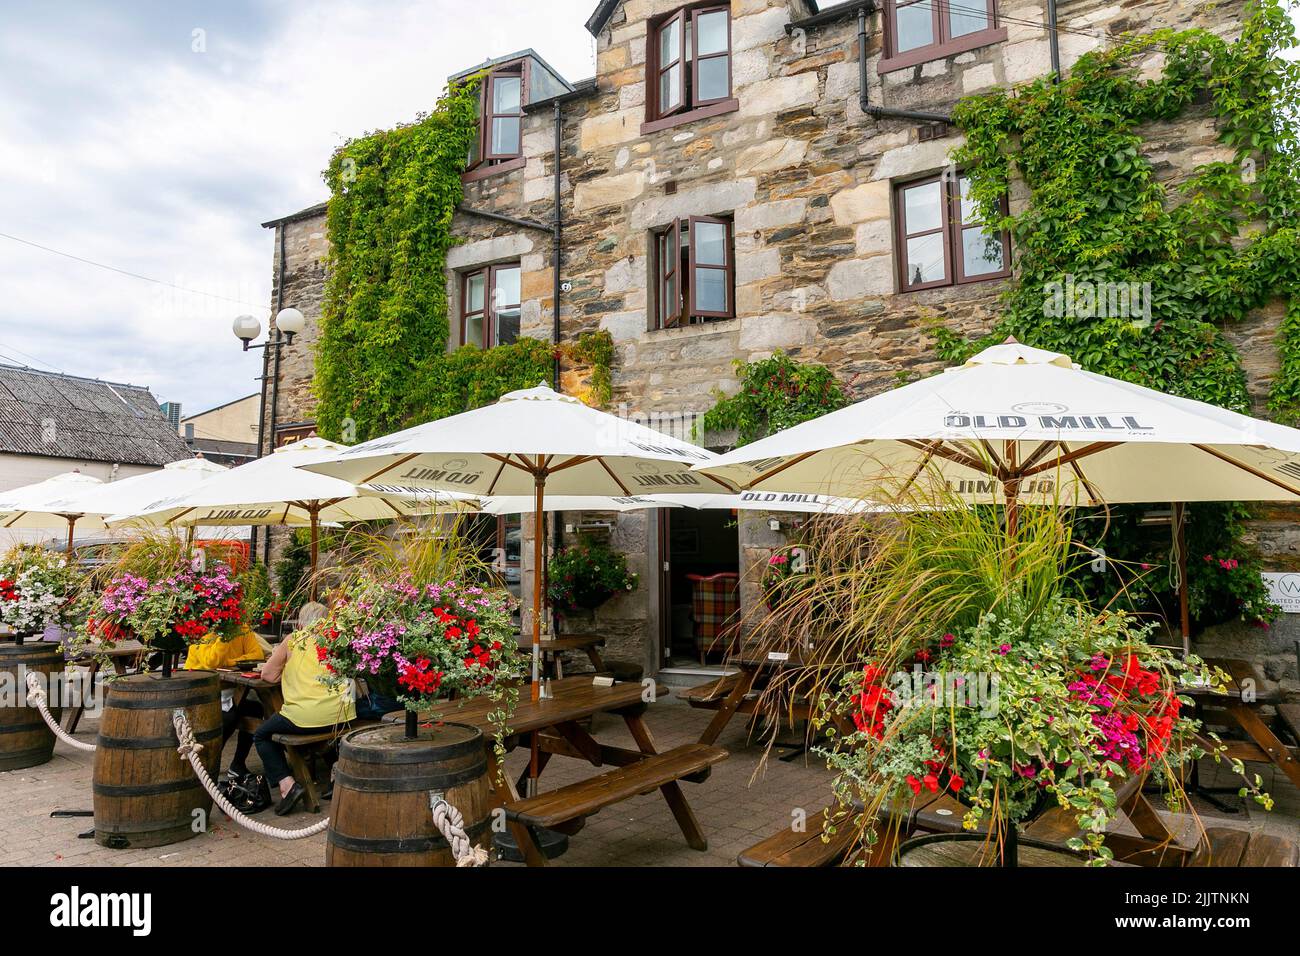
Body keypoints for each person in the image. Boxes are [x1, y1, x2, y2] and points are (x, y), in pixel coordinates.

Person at [253, 602, 356, 815]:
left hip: (305, 718)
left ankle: (287, 784)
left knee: (261, 734)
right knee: (330, 729)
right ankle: (334, 772)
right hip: (342, 715)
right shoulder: (336, 640)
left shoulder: (293, 640)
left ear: (300, 623)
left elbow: (268, 675)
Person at [185, 623, 267, 783]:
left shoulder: (242, 628)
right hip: (202, 695)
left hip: (229, 689)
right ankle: (207, 768)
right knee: (229, 718)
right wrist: (224, 635)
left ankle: (237, 766)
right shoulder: (200, 631)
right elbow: (212, 661)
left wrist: (229, 661)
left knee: (255, 710)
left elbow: (257, 654)